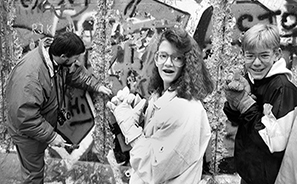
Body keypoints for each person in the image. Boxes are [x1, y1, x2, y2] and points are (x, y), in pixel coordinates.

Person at [107, 26, 214, 183]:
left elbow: (153, 169)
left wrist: (131, 129)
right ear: (156, 58)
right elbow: (157, 141)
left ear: (187, 63)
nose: (168, 63)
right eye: (163, 56)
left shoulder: (184, 109)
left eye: (177, 58)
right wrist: (142, 120)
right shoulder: (161, 96)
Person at [5, 31, 112, 184]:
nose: (77, 62)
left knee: (36, 169)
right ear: (63, 56)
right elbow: (25, 118)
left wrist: (96, 85)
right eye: (75, 58)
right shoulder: (30, 78)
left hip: (38, 126)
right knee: (33, 174)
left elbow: (73, 73)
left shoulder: (55, 58)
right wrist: (52, 137)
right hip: (26, 134)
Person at [223, 23, 297, 184]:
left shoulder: (283, 89)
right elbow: (240, 121)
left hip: (269, 179)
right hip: (249, 174)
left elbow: (274, 143)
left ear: (276, 54)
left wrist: (245, 104)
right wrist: (232, 105)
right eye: (250, 56)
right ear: (243, 55)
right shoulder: (254, 78)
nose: (256, 63)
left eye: (264, 55)